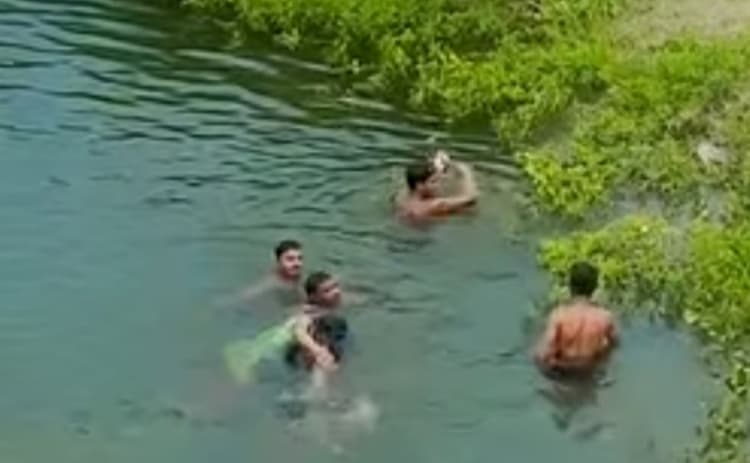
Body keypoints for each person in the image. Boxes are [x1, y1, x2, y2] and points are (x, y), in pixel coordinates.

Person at [534, 261, 618, 380]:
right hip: (590, 372)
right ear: (594, 288)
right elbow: (614, 344)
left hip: (562, 372)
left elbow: (542, 353)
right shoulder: (605, 317)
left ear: (570, 286)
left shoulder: (559, 315)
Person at [395, 149, 479, 221]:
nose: (438, 185)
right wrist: (465, 171)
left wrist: (437, 166)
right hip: (430, 231)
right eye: (433, 182)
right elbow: (471, 198)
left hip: (411, 226)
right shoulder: (436, 205)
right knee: (469, 211)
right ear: (419, 185)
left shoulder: (400, 198)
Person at [289, 271, 347, 373]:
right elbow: (299, 331)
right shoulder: (310, 312)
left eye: (335, 286)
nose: (336, 292)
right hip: (303, 347)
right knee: (322, 359)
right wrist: (317, 350)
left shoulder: (334, 302)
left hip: (333, 334)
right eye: (327, 291)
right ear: (313, 297)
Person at [236, 239, 304, 303]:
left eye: (300, 258)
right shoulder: (271, 282)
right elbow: (244, 297)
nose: (297, 263)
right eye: (290, 259)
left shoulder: (299, 276)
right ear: (278, 261)